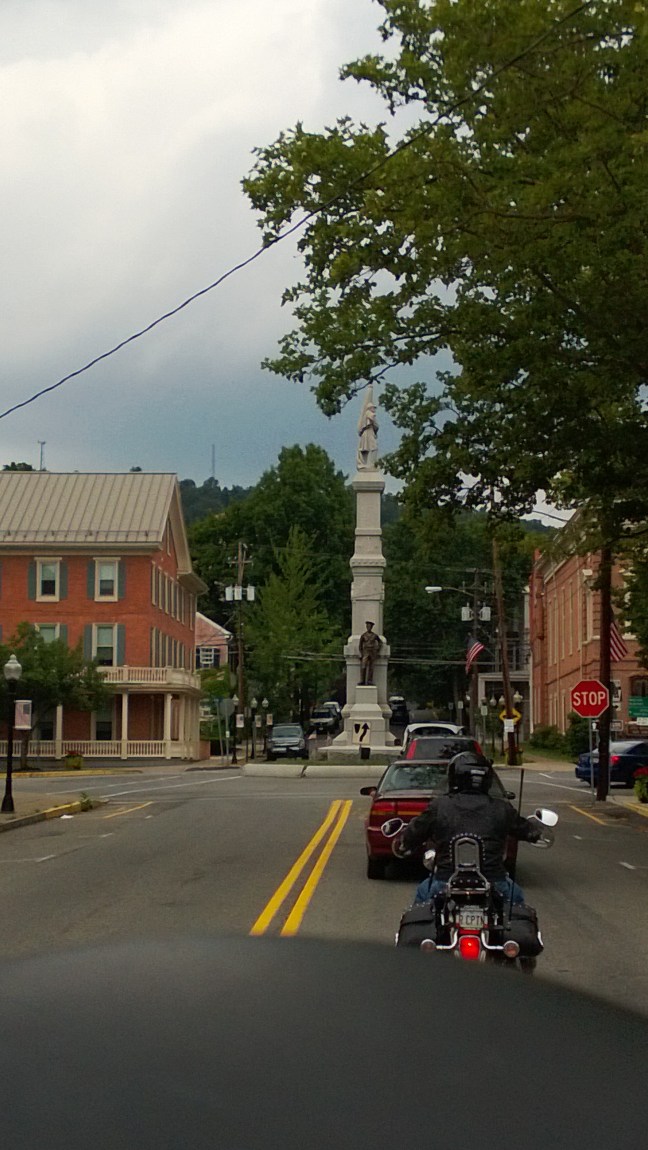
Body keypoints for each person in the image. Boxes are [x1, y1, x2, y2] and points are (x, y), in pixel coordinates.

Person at [396, 750, 542, 905]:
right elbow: (526, 829)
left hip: (446, 879)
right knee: (517, 901)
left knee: (422, 897)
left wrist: (404, 843)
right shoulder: (502, 808)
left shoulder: (439, 806)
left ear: (454, 778)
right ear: (487, 779)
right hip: (493, 880)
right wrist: (535, 832)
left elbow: (415, 831)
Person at [358, 621, 382, 685]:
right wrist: (361, 653)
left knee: (371, 667)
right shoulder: (363, 635)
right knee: (363, 666)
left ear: (371, 627)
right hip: (365, 652)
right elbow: (360, 645)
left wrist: (377, 649)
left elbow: (380, 642)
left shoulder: (374, 635)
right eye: (368, 626)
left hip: (372, 652)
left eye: (370, 626)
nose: (369, 627)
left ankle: (369, 681)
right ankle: (362, 680)